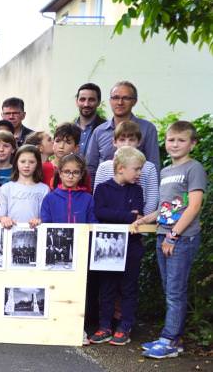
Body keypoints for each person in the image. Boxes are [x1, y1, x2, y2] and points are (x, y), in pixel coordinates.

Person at [134, 121, 206, 358]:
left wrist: (174, 236)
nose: (175, 144)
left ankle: (168, 341)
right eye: (171, 140)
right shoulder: (165, 171)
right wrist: (144, 220)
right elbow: (164, 210)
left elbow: (194, 206)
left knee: (175, 291)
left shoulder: (193, 168)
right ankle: (175, 338)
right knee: (169, 290)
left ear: (193, 143)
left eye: (181, 140)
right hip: (163, 236)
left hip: (181, 239)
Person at [90, 146, 145, 346]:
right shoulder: (103, 188)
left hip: (132, 245)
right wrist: (127, 216)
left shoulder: (137, 190)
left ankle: (124, 326)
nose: (139, 173)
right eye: (136, 169)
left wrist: (126, 216)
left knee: (129, 287)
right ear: (121, 168)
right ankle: (104, 326)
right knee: (107, 287)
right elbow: (100, 212)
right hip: (107, 245)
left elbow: (138, 213)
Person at [85, 81, 161, 182]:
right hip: (106, 193)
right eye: (115, 97)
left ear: (134, 101)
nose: (120, 102)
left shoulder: (147, 129)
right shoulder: (99, 131)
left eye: (126, 98)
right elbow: (91, 168)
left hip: (138, 192)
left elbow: (154, 166)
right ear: (110, 101)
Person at [91, 121, 160, 215]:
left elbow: (152, 199)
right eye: (122, 140)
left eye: (131, 140)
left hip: (139, 220)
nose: (127, 144)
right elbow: (98, 197)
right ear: (114, 142)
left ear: (139, 142)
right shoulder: (104, 167)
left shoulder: (149, 167)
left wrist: (142, 219)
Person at [0, 145, 49, 230]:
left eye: (31, 162)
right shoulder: (6, 188)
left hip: (35, 232)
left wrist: (39, 220)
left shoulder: (44, 189)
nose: (27, 165)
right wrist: (4, 219)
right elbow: (0, 216)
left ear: (37, 164)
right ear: (16, 162)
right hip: (10, 232)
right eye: (22, 161)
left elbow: (44, 216)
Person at [40, 154, 96, 224]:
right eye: (66, 172)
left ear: (81, 175)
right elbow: (45, 223)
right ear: (60, 173)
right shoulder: (49, 198)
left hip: (81, 235)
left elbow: (92, 223)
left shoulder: (88, 199)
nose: (70, 176)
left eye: (75, 172)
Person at [73, 83, 108, 155]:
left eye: (91, 100)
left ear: (98, 102)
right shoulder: (69, 129)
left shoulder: (106, 129)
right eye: (82, 99)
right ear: (77, 102)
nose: (86, 104)